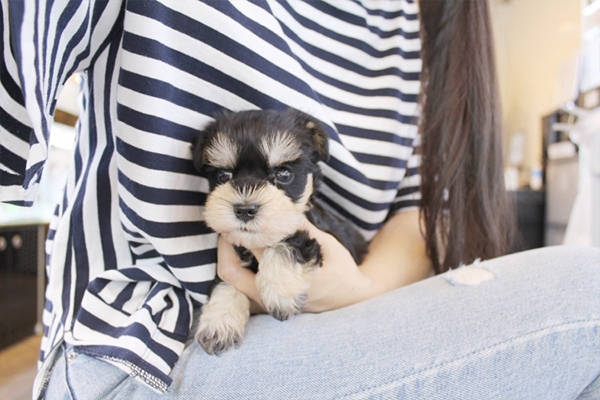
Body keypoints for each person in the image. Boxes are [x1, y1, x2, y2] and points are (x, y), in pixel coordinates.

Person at [0, 0, 598, 399]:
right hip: (146, 354)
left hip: (351, 327)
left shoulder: (417, 18)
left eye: (282, 178)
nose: (251, 197)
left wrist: (356, 289)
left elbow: (423, 209)